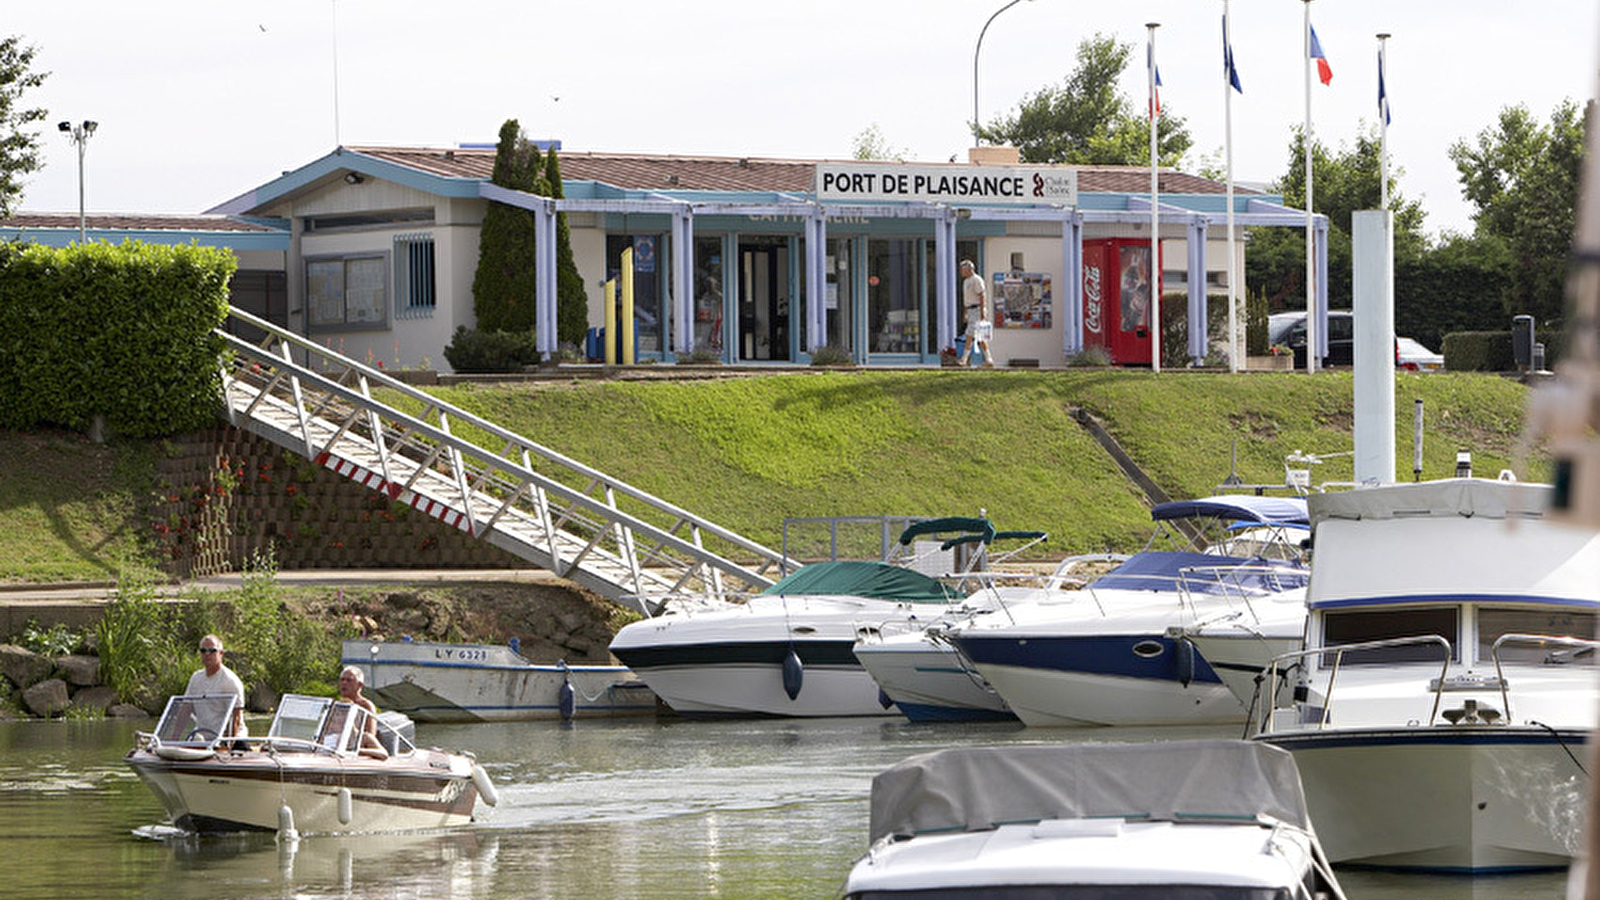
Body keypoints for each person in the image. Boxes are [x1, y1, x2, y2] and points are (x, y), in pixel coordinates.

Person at [186, 634, 248, 739]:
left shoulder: (230, 681)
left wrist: (226, 746)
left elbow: (236, 718)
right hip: (203, 738)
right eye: (203, 651)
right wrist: (172, 742)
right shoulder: (195, 678)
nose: (207, 654)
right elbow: (184, 711)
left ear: (221, 653)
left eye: (212, 650)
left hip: (232, 738)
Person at [337, 664, 388, 759]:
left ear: (359, 685)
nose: (344, 683)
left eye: (349, 680)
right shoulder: (338, 704)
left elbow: (370, 734)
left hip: (357, 750)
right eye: (342, 680)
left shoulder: (366, 705)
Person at [956, 260, 994, 368]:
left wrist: (982, 312)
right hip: (970, 310)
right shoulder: (966, 282)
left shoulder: (976, 280)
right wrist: (965, 313)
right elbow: (966, 299)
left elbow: (982, 296)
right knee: (978, 336)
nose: (961, 272)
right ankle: (988, 359)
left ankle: (964, 359)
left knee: (970, 335)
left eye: (962, 270)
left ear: (968, 269)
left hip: (977, 310)